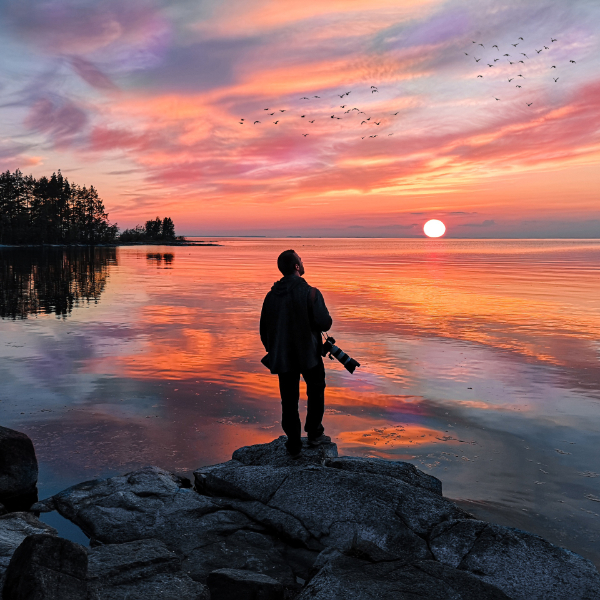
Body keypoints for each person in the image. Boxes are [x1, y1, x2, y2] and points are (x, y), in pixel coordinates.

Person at [260, 249, 333, 457]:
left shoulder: (271, 295)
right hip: (309, 354)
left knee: (289, 399)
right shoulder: (310, 293)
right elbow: (325, 323)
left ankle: (293, 443)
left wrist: (274, 350)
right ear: (296, 267)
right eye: (300, 259)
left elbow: (264, 330)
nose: (302, 260)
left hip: (283, 357)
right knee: (316, 389)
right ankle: (314, 433)